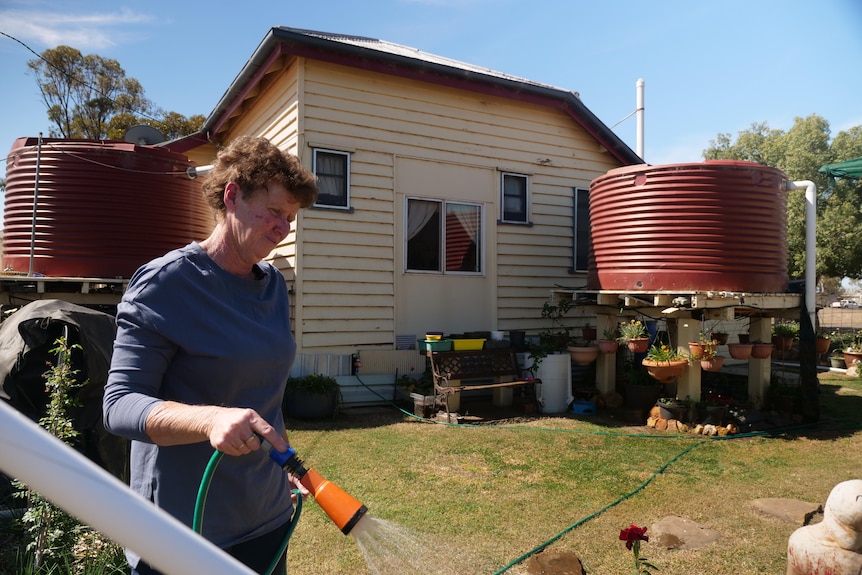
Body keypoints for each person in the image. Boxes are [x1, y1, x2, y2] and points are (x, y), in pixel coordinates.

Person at [103, 135, 319, 575]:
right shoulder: (166, 284)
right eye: (276, 212)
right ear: (232, 195)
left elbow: (262, 391)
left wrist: (287, 461)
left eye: (292, 218)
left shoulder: (274, 285)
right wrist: (210, 419)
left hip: (267, 515)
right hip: (184, 530)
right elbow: (119, 405)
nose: (284, 229)